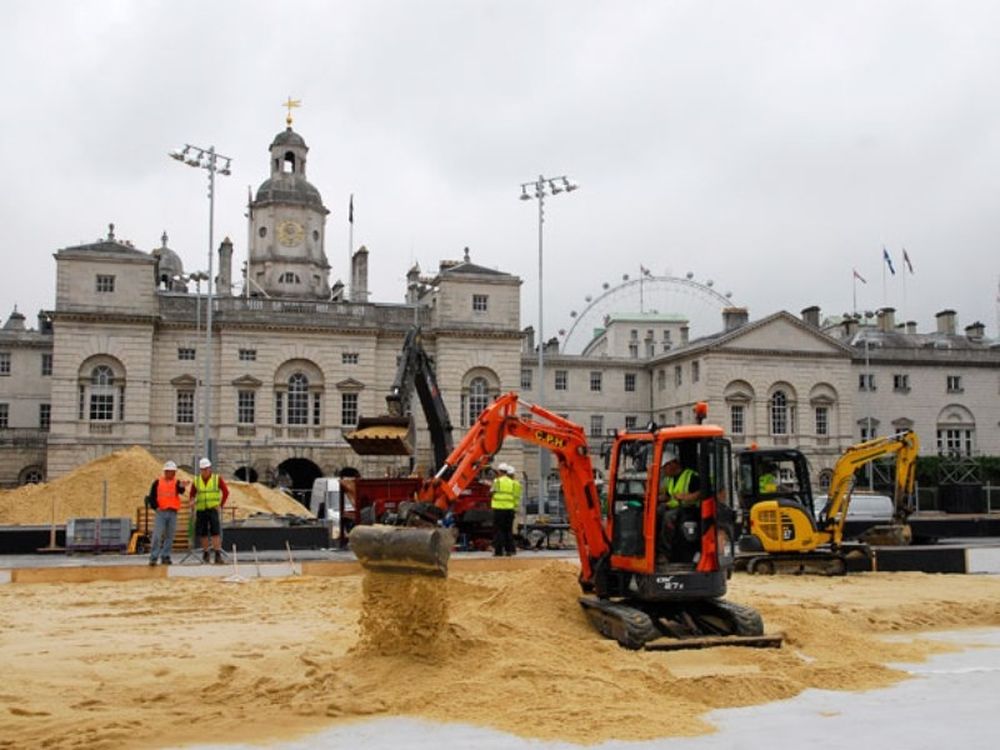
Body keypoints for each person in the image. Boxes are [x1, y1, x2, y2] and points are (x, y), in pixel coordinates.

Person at [656, 451, 701, 561]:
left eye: (664, 468)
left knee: (668, 517)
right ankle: (654, 548)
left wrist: (686, 497)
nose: (663, 471)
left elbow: (701, 492)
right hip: (675, 507)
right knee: (656, 512)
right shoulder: (670, 479)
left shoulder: (691, 476)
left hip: (690, 509)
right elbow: (668, 496)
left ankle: (666, 553)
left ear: (672, 464)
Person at [189, 457, 229, 565]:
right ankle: (206, 553)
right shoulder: (197, 480)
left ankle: (217, 554)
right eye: (203, 469)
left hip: (212, 509)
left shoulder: (216, 479)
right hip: (201, 509)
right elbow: (192, 494)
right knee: (203, 533)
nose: (205, 471)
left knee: (215, 532)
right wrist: (192, 501)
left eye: (206, 469)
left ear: (210, 468)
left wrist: (220, 505)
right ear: (200, 470)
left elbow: (226, 492)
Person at [146, 460, 186, 566]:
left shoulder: (176, 482)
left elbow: (181, 491)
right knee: (157, 536)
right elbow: (152, 497)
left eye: (173, 472)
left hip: (172, 512)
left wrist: (182, 486)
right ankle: (153, 557)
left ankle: (166, 556)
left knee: (170, 536)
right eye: (169, 471)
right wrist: (156, 507)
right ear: (165, 472)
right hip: (161, 512)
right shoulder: (157, 482)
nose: (171, 474)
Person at [490, 463, 517, 557]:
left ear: (500, 471)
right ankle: (509, 550)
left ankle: (498, 551)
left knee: (499, 530)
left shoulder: (497, 481)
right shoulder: (512, 482)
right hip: (510, 509)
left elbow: (492, 492)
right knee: (508, 530)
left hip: (499, 509)